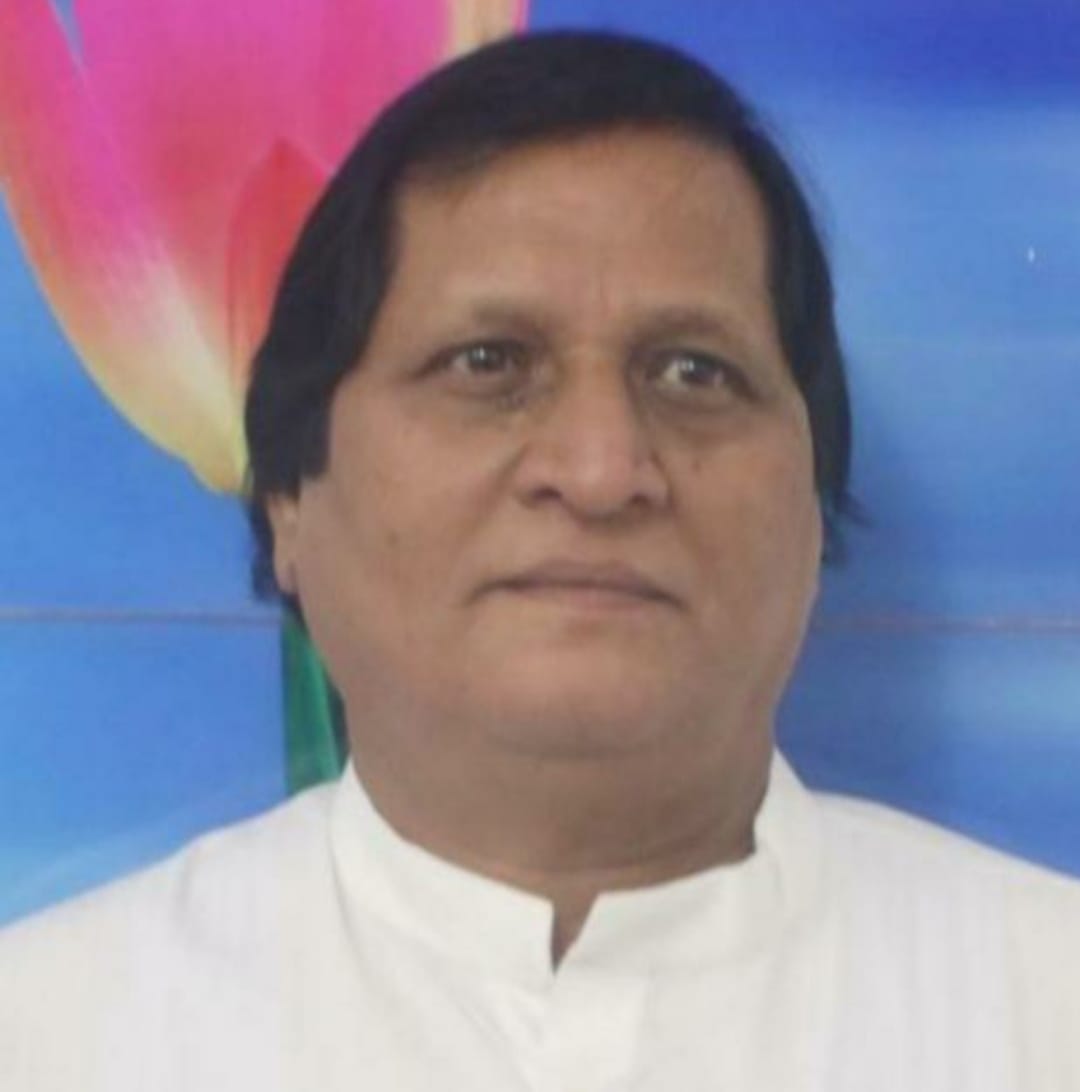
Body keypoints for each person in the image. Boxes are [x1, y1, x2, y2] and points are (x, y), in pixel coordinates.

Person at [1, 28, 1078, 1091]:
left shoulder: (1042, 1010)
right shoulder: (51, 1034)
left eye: (694, 373)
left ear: (811, 502)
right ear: (288, 495)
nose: (601, 470)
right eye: (487, 364)